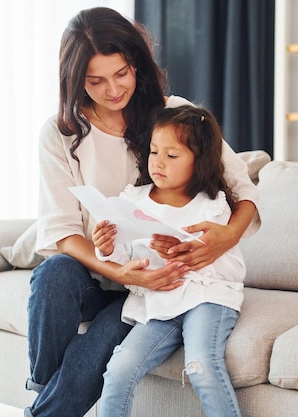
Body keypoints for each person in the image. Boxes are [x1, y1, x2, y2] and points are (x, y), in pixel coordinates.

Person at [26, 7, 259, 417]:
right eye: (95, 81)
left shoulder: (175, 116)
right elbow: (61, 230)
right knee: (52, 274)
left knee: (99, 353)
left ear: (137, 64)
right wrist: (117, 270)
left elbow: (242, 188)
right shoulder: (60, 133)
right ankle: (43, 383)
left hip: (148, 285)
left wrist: (228, 235)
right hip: (98, 274)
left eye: (121, 74)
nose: (113, 90)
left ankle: (41, 406)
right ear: (74, 80)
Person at [94, 105, 245, 417]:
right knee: (119, 368)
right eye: (153, 152)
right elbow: (125, 258)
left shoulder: (213, 206)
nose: (158, 162)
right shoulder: (132, 200)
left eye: (172, 155)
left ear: (199, 160)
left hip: (205, 298)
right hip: (158, 304)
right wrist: (107, 248)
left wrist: (182, 252)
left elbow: (229, 268)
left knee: (201, 364)